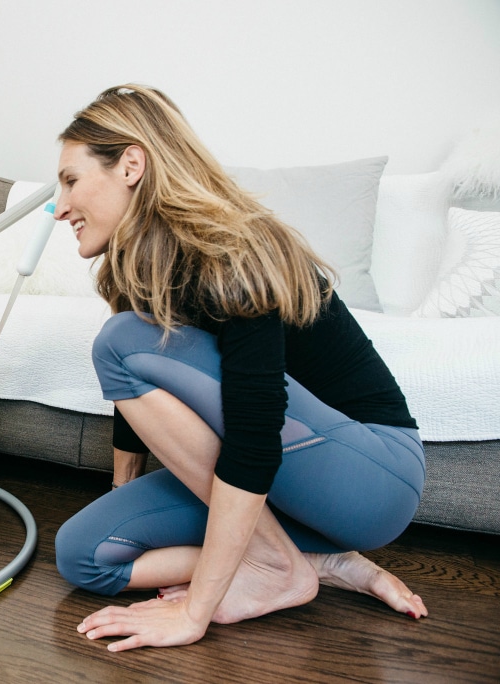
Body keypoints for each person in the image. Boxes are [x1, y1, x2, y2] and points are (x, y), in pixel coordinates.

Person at [51, 84, 428, 651]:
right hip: (284, 486)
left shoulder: (233, 247)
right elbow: (140, 405)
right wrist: (117, 493)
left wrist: (194, 611)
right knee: (84, 554)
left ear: (131, 164)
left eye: (70, 181)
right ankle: (314, 562)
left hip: (372, 476)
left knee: (121, 342)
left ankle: (272, 568)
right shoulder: (138, 269)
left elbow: (253, 431)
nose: (60, 208)